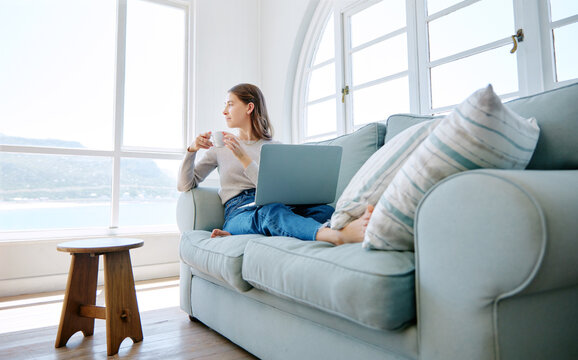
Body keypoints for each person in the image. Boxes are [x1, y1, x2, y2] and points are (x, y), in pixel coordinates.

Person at [177, 83, 372, 245]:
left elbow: (274, 189)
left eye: (230, 104)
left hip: (277, 204)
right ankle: (337, 236)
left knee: (323, 210)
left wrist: (244, 156)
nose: (224, 111)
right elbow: (185, 185)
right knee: (271, 212)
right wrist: (191, 150)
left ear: (249, 107)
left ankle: (365, 227)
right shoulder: (221, 148)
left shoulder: (274, 148)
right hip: (239, 212)